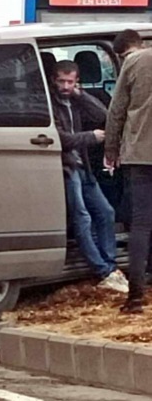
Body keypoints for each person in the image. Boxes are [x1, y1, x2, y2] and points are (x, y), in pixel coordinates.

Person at [51, 60, 128, 293]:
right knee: (82, 217)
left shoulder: (74, 101)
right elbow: (60, 139)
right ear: (53, 81)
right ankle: (102, 270)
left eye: (70, 82)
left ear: (77, 82)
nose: (65, 86)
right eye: (61, 81)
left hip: (82, 165)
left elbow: (103, 114)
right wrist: (91, 137)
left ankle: (111, 266)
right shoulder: (49, 104)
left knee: (106, 212)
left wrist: (80, 95)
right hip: (66, 166)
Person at [105, 29, 151, 313]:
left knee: (142, 225)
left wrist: (111, 151)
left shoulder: (133, 63)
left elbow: (116, 111)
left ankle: (135, 297)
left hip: (140, 155)